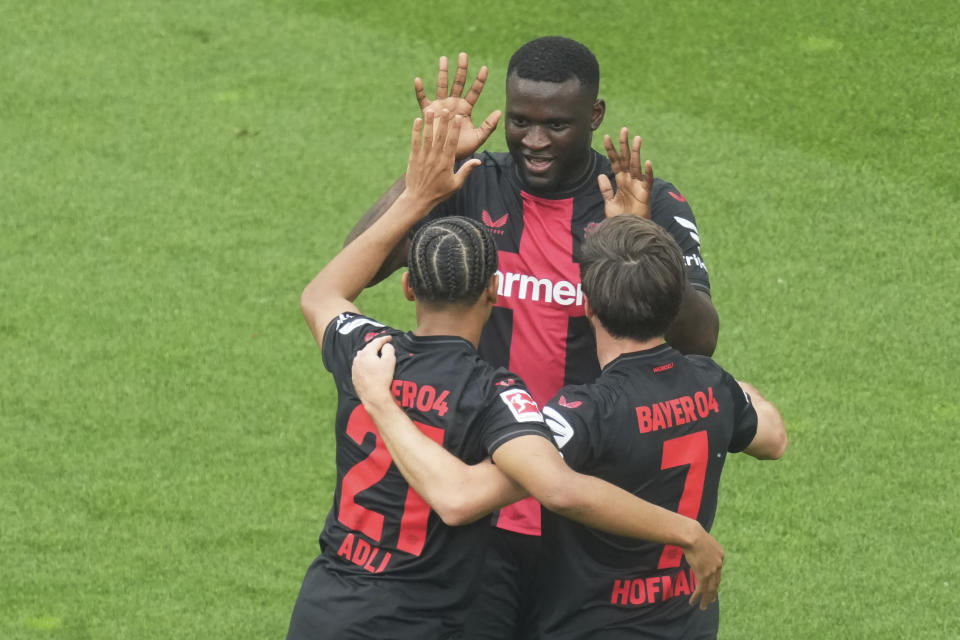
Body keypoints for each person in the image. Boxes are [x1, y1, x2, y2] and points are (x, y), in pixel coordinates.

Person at [288, 110, 723, 639]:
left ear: (408, 289)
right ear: (495, 293)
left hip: (326, 607)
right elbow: (547, 489)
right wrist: (686, 531)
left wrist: (416, 194)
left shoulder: (366, 352)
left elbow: (321, 295)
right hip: (419, 623)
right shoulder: (496, 397)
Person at [352, 215, 787, 639]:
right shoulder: (713, 384)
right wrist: (728, 387)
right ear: (674, 305)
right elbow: (773, 439)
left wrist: (382, 403)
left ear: (588, 306)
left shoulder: (585, 414)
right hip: (687, 620)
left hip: (595, 624)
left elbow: (466, 494)